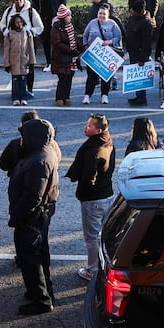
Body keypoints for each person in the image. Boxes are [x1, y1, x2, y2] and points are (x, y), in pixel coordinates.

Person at [9, 117, 60, 315]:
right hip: (40, 215)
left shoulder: (39, 161)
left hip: (31, 218)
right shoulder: (44, 153)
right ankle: (44, 291)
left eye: (24, 136)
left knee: (30, 258)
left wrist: (17, 216)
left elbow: (33, 196)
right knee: (40, 254)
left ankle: (41, 299)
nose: (21, 140)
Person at [67, 113, 115, 282]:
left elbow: (88, 179)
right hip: (107, 195)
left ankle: (93, 271)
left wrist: (83, 191)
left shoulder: (93, 151)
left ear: (98, 130)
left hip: (93, 200)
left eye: (89, 126)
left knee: (92, 237)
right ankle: (103, 266)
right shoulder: (108, 142)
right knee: (103, 235)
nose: (85, 127)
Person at [80, 5, 121, 105]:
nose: (101, 15)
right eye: (100, 13)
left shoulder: (112, 24)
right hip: (93, 54)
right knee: (91, 76)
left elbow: (118, 37)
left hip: (107, 54)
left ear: (108, 15)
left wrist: (109, 42)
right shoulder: (92, 23)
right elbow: (85, 35)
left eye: (104, 14)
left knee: (105, 76)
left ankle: (104, 95)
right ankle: (87, 95)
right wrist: (85, 46)